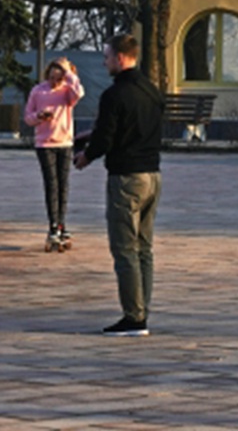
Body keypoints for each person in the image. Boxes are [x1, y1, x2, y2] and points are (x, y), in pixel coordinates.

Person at [74, 34, 164, 337]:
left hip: (126, 178)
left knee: (124, 248)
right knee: (144, 248)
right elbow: (134, 129)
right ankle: (141, 310)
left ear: (121, 58)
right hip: (153, 175)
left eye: (107, 57)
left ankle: (134, 318)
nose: (104, 62)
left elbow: (107, 138)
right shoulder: (152, 91)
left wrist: (87, 155)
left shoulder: (114, 95)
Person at [24, 57, 85, 251]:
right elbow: (28, 117)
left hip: (65, 142)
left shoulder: (68, 92)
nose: (54, 76)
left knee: (63, 184)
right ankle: (53, 225)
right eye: (52, 71)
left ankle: (61, 223)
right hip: (44, 144)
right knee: (51, 183)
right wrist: (39, 116)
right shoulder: (38, 91)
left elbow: (79, 93)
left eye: (59, 72)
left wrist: (69, 73)